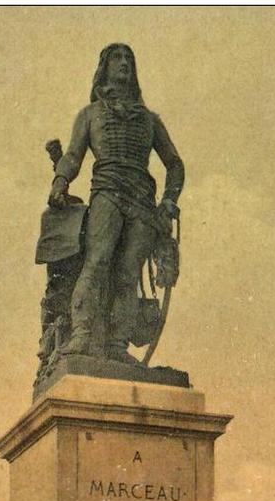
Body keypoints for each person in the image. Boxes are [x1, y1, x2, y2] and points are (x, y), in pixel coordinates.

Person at [48, 44, 184, 363]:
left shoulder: (149, 120)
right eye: (116, 59)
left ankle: (117, 345)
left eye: (128, 59)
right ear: (104, 67)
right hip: (107, 191)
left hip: (142, 201)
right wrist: (60, 180)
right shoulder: (90, 114)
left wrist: (168, 202)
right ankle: (81, 334)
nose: (123, 64)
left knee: (127, 272)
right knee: (97, 261)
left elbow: (175, 163)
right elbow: (73, 156)